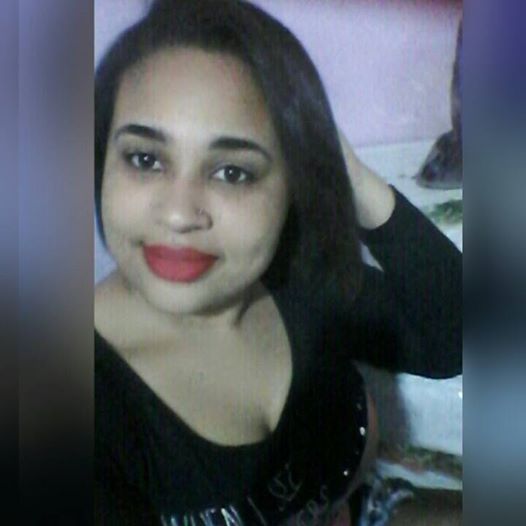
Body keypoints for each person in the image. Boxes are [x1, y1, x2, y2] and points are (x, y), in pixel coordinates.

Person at [94, 1, 462, 524]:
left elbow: (454, 336)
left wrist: (348, 176)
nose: (178, 214)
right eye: (145, 159)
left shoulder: (292, 277)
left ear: (291, 183)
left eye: (233, 172)